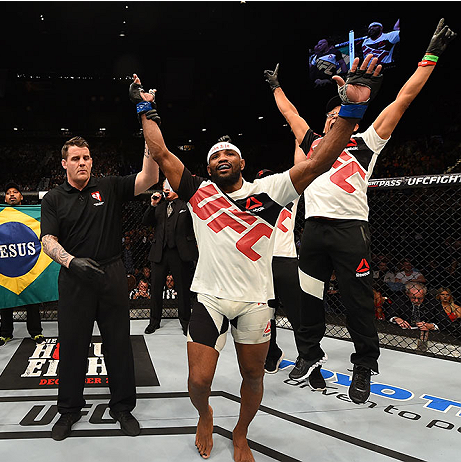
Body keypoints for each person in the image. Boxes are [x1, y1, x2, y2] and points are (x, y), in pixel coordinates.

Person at [136, 53, 382, 461]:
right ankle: (205, 415)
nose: (221, 158)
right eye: (214, 155)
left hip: (254, 301)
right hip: (210, 297)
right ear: (208, 167)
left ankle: (241, 433)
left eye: (228, 153)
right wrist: (145, 107)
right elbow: (160, 152)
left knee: (253, 375)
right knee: (197, 382)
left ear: (242, 162)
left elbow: (322, 159)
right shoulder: (198, 193)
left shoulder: (270, 191)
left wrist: (353, 111)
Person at [264, 18, 456, 405]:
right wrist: (276, 87)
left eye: (342, 114)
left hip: (351, 232)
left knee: (357, 303)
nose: (335, 118)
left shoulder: (365, 145)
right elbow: (290, 116)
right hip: (314, 232)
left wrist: (430, 55)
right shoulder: (314, 145)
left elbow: (403, 100)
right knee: (309, 299)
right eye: (330, 116)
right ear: (324, 124)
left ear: (352, 120)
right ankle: (308, 355)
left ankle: (365, 364)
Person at [40, 136, 158, 441]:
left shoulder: (108, 186)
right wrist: (71, 262)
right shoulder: (53, 198)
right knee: (72, 346)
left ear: (92, 161)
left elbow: (150, 177)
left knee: (118, 343)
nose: (82, 163)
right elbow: (48, 240)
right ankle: (68, 410)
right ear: (64, 163)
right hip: (74, 277)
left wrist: (149, 138)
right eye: (76, 158)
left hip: (111, 273)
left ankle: (122, 407)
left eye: (87, 158)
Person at [253, 168, 326, 388]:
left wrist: (299, 139)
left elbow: (302, 166)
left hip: (286, 260)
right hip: (260, 262)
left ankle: (311, 362)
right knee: (266, 315)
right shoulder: (251, 201)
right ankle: (272, 353)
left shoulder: (289, 195)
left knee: (299, 317)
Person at [0, 181, 45, 347]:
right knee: (6, 299)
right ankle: (5, 334)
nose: (12, 194)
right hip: (6, 263)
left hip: (28, 262)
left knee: (31, 298)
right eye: (8, 193)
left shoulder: (31, 214)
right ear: (5, 198)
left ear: (21, 196)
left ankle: (36, 333)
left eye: (15, 192)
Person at [141, 178, 197, 335]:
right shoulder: (159, 207)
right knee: (157, 288)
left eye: (169, 188)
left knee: (183, 289)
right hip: (160, 252)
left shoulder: (185, 205)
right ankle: (154, 321)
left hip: (179, 253)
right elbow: (146, 222)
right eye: (165, 188)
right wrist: (152, 205)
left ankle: (185, 321)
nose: (166, 190)